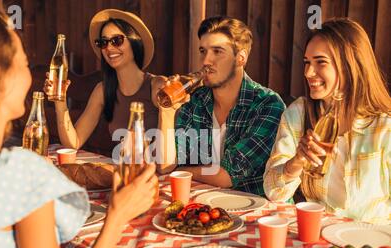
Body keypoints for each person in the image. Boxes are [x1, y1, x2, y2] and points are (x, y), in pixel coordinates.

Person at [0, 4, 158, 248]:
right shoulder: (17, 171)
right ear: (0, 79)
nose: (31, 73)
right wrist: (117, 217)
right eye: (24, 63)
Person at [263, 18, 391, 224]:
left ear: (351, 64)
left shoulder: (384, 127)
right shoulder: (298, 113)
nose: (308, 73)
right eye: (307, 62)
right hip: (317, 236)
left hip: (373, 243)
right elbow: (273, 192)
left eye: (320, 62)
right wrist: (296, 162)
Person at [157, 16, 285, 197]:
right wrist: (168, 111)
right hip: (207, 207)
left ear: (240, 58)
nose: (206, 61)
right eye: (203, 51)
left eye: (217, 51)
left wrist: (182, 170)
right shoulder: (196, 100)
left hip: (255, 214)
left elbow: (227, 176)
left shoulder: (267, 105)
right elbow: (166, 165)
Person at [45, 9, 165, 151]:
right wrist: (60, 101)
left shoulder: (156, 85)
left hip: (156, 171)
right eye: (103, 42)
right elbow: (73, 142)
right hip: (122, 171)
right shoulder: (102, 90)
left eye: (116, 40)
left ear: (135, 42)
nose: (109, 47)